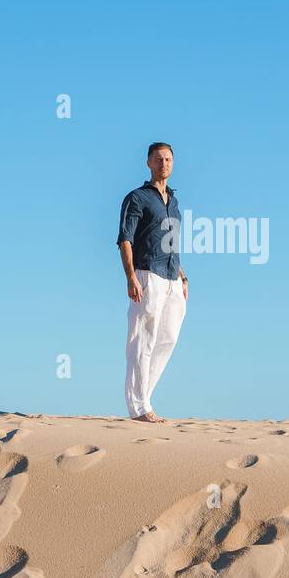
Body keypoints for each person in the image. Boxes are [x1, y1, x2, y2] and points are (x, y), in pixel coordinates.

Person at [116, 142, 188, 422]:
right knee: (142, 341)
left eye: (168, 159)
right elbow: (125, 238)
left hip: (172, 277)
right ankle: (139, 407)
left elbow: (171, 242)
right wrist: (131, 276)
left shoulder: (174, 201)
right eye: (158, 159)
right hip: (147, 275)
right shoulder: (137, 198)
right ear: (148, 163)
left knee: (167, 339)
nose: (164, 164)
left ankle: (144, 397)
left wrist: (183, 276)